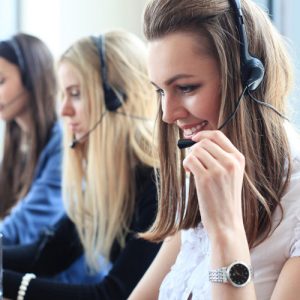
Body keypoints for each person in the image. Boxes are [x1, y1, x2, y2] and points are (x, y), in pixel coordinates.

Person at [129, 0, 300, 299]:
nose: (167, 114)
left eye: (186, 88)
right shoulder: (201, 169)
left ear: (248, 79)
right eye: (159, 90)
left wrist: (225, 232)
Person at [2, 29, 161, 300]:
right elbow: (46, 255)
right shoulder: (111, 180)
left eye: (75, 94)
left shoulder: (157, 184)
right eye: (63, 95)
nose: (64, 110)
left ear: (117, 98)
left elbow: (114, 294)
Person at [0, 33, 64, 245]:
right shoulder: (18, 142)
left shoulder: (62, 141)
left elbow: (27, 223)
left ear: (31, 77)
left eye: (1, 81)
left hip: (53, 273)